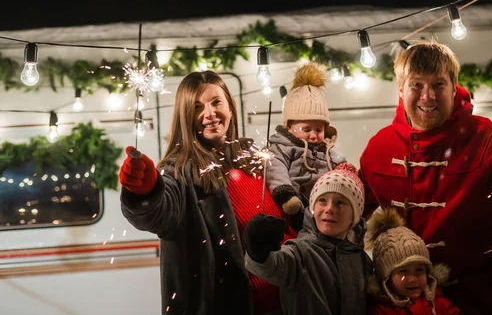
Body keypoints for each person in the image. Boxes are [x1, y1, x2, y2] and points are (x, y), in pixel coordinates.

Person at [358, 40, 492, 315]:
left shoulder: (490, 139)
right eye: (417, 85)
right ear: (401, 90)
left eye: (438, 84)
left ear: (454, 87)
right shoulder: (379, 149)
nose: (428, 97)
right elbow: (350, 209)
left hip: (484, 297)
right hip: (411, 302)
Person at [118, 71, 296, 315]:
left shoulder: (254, 157)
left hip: (287, 304)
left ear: (230, 108)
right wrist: (146, 190)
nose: (209, 113)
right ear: (185, 117)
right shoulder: (180, 171)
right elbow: (160, 214)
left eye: (216, 102)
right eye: (197, 107)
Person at [243, 163, 372, 315]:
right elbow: (273, 266)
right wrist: (258, 251)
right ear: (312, 206)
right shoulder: (300, 253)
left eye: (340, 203)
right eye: (322, 200)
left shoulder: (362, 260)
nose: (329, 209)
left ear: (355, 215)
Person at [267, 61, 346, 232]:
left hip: (325, 205)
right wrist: (286, 194)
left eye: (319, 129)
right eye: (306, 129)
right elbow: (276, 168)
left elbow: (339, 165)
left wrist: (346, 172)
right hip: (297, 204)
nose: (313, 135)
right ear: (290, 126)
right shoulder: (283, 146)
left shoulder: (327, 151)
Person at [366, 208, 462, 315]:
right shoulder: (381, 311)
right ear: (386, 277)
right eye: (403, 272)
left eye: (419, 270)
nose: (413, 279)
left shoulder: (437, 301)